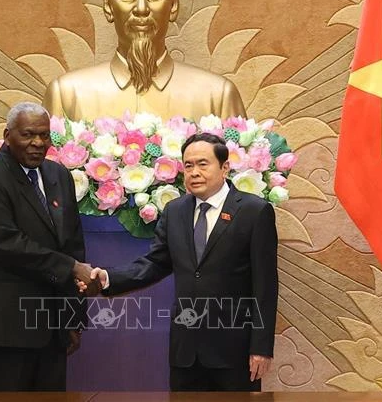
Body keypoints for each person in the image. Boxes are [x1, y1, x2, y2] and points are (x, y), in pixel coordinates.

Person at [83, 133, 278, 391]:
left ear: (225, 167)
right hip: (185, 351)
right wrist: (109, 278)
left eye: (202, 164)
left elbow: (265, 286)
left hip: (234, 351)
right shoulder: (176, 211)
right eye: (188, 165)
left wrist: (261, 348)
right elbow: (154, 263)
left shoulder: (255, 211)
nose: (194, 172)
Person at [0, 102, 93, 391]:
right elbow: (6, 243)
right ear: (7, 134)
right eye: (27, 135)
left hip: (52, 329)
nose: (37, 143)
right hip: (7, 331)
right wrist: (71, 268)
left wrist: (72, 316)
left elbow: (73, 244)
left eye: (44, 135)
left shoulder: (59, 175)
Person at [43, 0, 246, 121]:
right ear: (108, 7)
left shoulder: (217, 96)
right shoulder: (67, 95)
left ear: (173, 5)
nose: (141, 8)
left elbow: (239, 167)